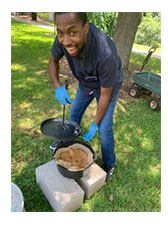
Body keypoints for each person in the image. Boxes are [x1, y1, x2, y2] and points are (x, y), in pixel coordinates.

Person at [49, 12, 123, 181]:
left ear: (86, 28)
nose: (66, 40)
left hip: (108, 85)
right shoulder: (63, 37)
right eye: (60, 33)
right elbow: (53, 59)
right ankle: (66, 146)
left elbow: (104, 95)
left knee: (104, 129)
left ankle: (110, 163)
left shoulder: (105, 52)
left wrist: (94, 123)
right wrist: (57, 87)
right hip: (86, 81)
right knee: (73, 116)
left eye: (72, 33)